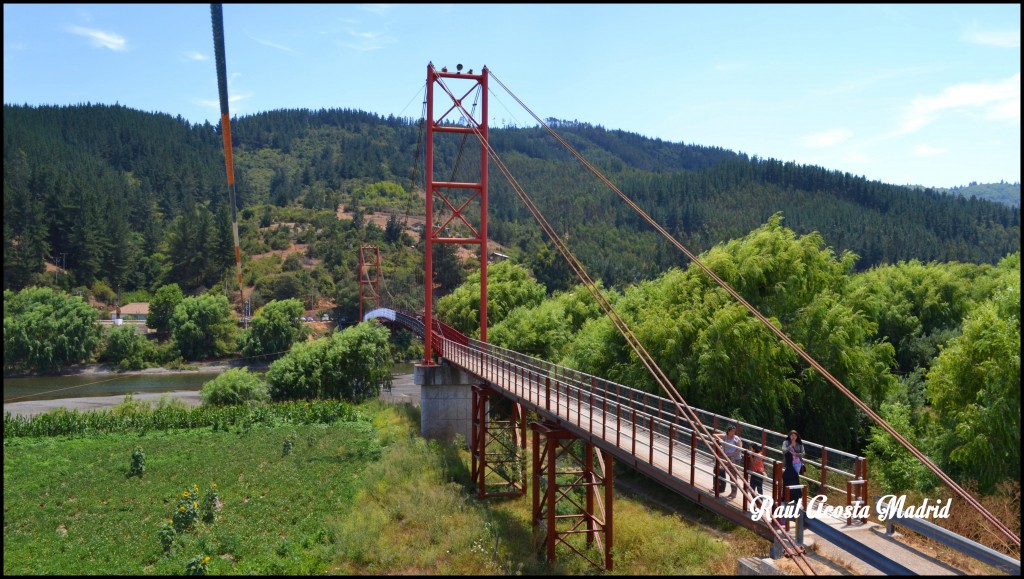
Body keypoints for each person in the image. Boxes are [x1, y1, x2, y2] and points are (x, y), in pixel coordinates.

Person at [713, 425, 743, 499]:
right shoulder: (725, 436)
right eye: (732, 431)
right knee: (717, 468)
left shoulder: (736, 438)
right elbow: (714, 435)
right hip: (726, 458)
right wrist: (721, 440)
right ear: (728, 431)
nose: (733, 432)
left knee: (733, 475)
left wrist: (730, 455)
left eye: (734, 431)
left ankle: (734, 492)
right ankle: (718, 486)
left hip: (735, 458)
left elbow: (739, 450)